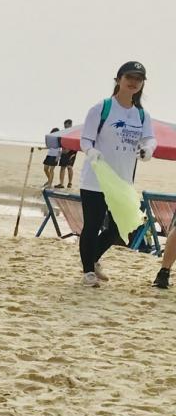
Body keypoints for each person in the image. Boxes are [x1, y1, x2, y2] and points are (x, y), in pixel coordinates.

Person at [78, 62, 155, 288]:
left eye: (138, 79)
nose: (133, 82)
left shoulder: (141, 115)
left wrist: (148, 150)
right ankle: (88, 271)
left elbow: (149, 139)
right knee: (92, 225)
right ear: (119, 79)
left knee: (118, 229)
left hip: (122, 181)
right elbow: (86, 139)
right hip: (95, 180)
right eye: (129, 77)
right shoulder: (102, 108)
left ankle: (92, 258)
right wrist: (91, 152)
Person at [56, 118, 76, 188]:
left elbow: (75, 142)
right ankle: (61, 183)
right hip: (64, 150)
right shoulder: (64, 132)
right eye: (64, 126)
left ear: (70, 125)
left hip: (72, 151)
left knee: (69, 167)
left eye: (66, 125)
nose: (65, 127)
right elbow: (61, 141)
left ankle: (70, 183)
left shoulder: (74, 132)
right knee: (62, 167)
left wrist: (69, 149)